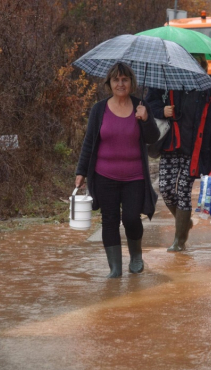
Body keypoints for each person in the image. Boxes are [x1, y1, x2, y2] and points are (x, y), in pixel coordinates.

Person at [75, 62, 159, 278]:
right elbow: (89, 143)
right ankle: (115, 268)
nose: (120, 84)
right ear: (109, 83)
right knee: (109, 220)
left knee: (131, 218)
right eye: (116, 80)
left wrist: (146, 119)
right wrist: (81, 171)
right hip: (104, 176)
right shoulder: (99, 110)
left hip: (135, 177)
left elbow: (153, 139)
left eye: (125, 79)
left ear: (132, 82)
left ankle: (136, 256)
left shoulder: (141, 107)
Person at [145, 54, 211, 252]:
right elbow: (149, 104)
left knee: (182, 191)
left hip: (195, 152)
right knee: (165, 189)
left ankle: (179, 240)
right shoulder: (165, 81)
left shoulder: (209, 89)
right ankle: (184, 222)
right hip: (170, 146)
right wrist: (161, 110)